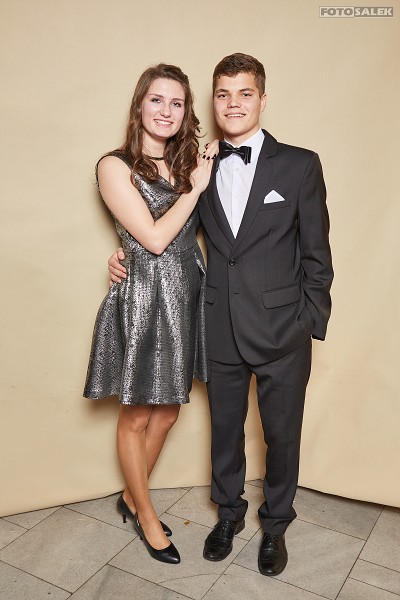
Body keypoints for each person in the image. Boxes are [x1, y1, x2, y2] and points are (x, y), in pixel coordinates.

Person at [108, 53, 333, 576]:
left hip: (284, 330)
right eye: (224, 95)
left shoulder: (300, 164)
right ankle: (228, 515)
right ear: (213, 102)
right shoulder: (195, 166)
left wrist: (309, 322)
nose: (234, 104)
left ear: (262, 99)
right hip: (218, 325)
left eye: (245, 93)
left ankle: (275, 526)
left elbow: (318, 256)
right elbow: (162, 228)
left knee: (282, 436)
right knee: (224, 433)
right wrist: (121, 254)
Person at [83, 63, 218, 565]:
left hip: (186, 296)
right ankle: (145, 515)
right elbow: (156, 239)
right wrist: (195, 188)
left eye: (176, 103)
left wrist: (198, 175)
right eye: (157, 100)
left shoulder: (189, 165)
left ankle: (130, 496)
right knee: (138, 412)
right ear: (139, 104)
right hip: (143, 297)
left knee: (169, 410)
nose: (166, 111)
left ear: (186, 112)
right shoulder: (114, 165)